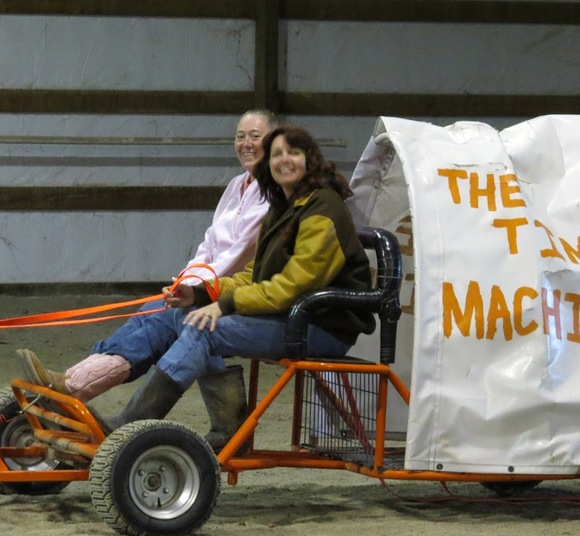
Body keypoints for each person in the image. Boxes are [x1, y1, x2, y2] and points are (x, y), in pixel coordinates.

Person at [78, 125, 377, 450]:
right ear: (268, 164)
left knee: (204, 329)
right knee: (185, 315)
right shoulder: (284, 208)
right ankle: (229, 429)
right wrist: (199, 293)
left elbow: (290, 288)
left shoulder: (323, 209)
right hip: (295, 318)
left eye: (294, 152)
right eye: (277, 154)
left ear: (310, 159)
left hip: (322, 327)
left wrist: (223, 305)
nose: (285, 160)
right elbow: (254, 276)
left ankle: (131, 425)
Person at [17, 109, 278, 403]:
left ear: (274, 141)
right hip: (207, 285)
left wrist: (194, 289)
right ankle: (74, 378)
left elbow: (238, 254)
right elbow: (210, 242)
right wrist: (185, 279)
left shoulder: (273, 195)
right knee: (150, 311)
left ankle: (76, 385)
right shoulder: (236, 185)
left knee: (167, 317)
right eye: (240, 136)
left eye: (255, 136)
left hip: (234, 293)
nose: (246, 144)